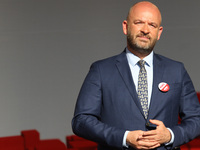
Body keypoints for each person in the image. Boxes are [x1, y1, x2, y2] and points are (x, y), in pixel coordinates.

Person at [72, 1, 200, 150]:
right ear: (125, 27)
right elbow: (81, 121)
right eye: (139, 22)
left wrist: (170, 135)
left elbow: (196, 119)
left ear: (159, 33)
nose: (145, 30)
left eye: (152, 25)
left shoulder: (176, 70)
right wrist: (125, 137)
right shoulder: (101, 70)